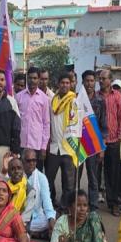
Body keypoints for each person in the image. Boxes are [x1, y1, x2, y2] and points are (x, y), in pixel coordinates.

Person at [46, 73, 77, 205]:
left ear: (71, 85)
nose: (65, 85)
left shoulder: (75, 101)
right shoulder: (52, 101)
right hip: (54, 147)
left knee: (68, 182)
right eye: (62, 83)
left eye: (67, 83)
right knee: (49, 179)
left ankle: (65, 207)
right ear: (58, 84)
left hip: (69, 148)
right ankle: (49, 204)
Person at [98, 69, 121, 215]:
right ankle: (93, 202)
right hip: (97, 141)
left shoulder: (117, 96)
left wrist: (120, 135)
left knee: (113, 173)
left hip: (113, 140)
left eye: (104, 78)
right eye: (100, 78)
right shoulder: (96, 96)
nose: (101, 81)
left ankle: (113, 202)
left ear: (110, 80)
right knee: (96, 172)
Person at [16, 67, 51, 172]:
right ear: (27, 78)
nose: (32, 80)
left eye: (35, 78)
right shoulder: (19, 97)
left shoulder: (44, 98)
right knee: (20, 174)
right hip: (21, 144)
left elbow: (46, 123)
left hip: (37, 145)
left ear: (38, 79)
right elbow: (15, 122)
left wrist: (43, 147)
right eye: (30, 78)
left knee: (36, 175)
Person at [78, 70, 104, 208]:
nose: (89, 83)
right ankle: (75, 204)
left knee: (93, 177)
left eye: (92, 81)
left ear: (95, 82)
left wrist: (101, 148)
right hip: (79, 144)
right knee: (75, 177)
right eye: (87, 81)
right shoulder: (76, 99)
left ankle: (93, 206)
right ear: (82, 82)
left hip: (93, 144)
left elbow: (103, 125)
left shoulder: (100, 101)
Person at [21, 148, 56, 239]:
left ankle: (27, 231)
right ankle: (35, 233)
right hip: (19, 215)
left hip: (36, 217)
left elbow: (47, 201)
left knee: (50, 219)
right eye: (29, 161)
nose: (32, 163)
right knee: (15, 222)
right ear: (23, 161)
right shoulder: (18, 174)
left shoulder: (41, 177)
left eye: (34, 160)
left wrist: (51, 219)